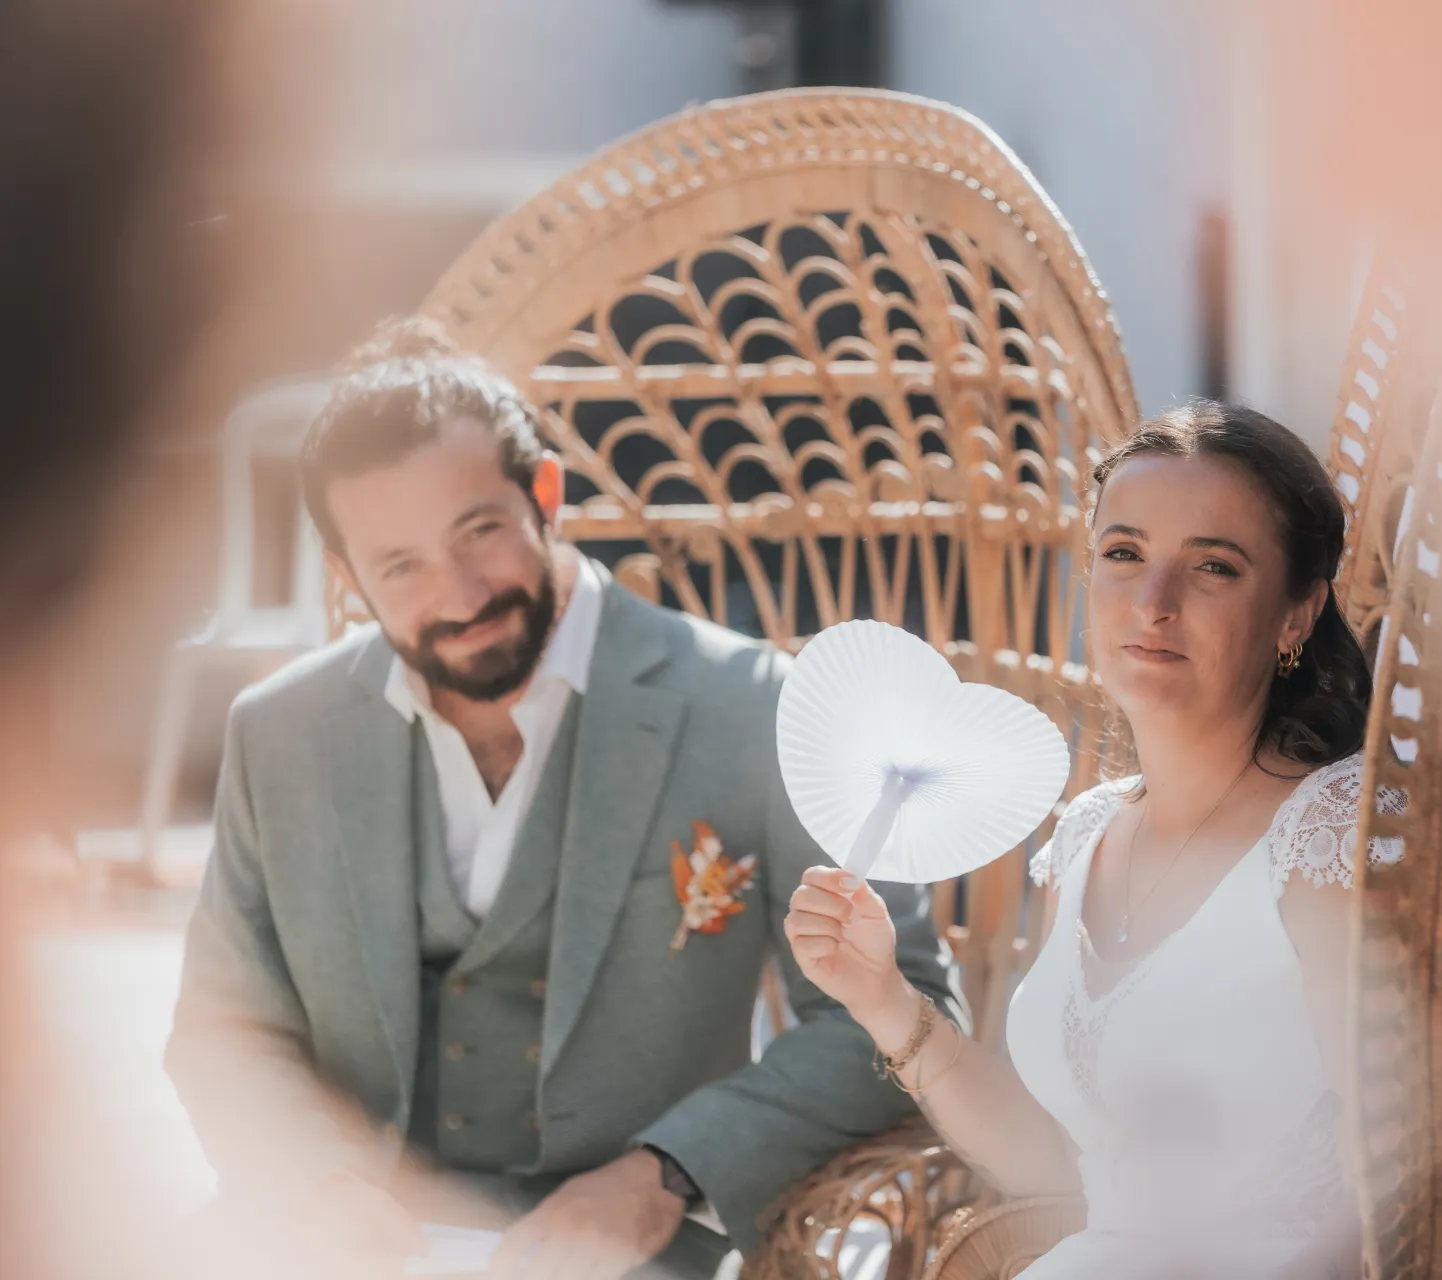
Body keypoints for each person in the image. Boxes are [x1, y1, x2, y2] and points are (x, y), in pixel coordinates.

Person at [166, 318, 961, 1280]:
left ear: (545, 492)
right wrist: (318, 1189)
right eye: (400, 566)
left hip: (636, 1253)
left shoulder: (761, 709)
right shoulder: (277, 733)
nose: (459, 596)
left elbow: (902, 1013)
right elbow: (223, 1027)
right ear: (347, 577)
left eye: (480, 531)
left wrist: (667, 1173)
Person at [786, 399, 1389, 1278]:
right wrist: (881, 997)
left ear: (1296, 614)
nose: (1153, 602)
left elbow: (1418, 1186)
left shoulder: (1331, 841)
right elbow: (1067, 1168)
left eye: (1213, 567)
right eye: (1123, 555)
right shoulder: (1085, 836)